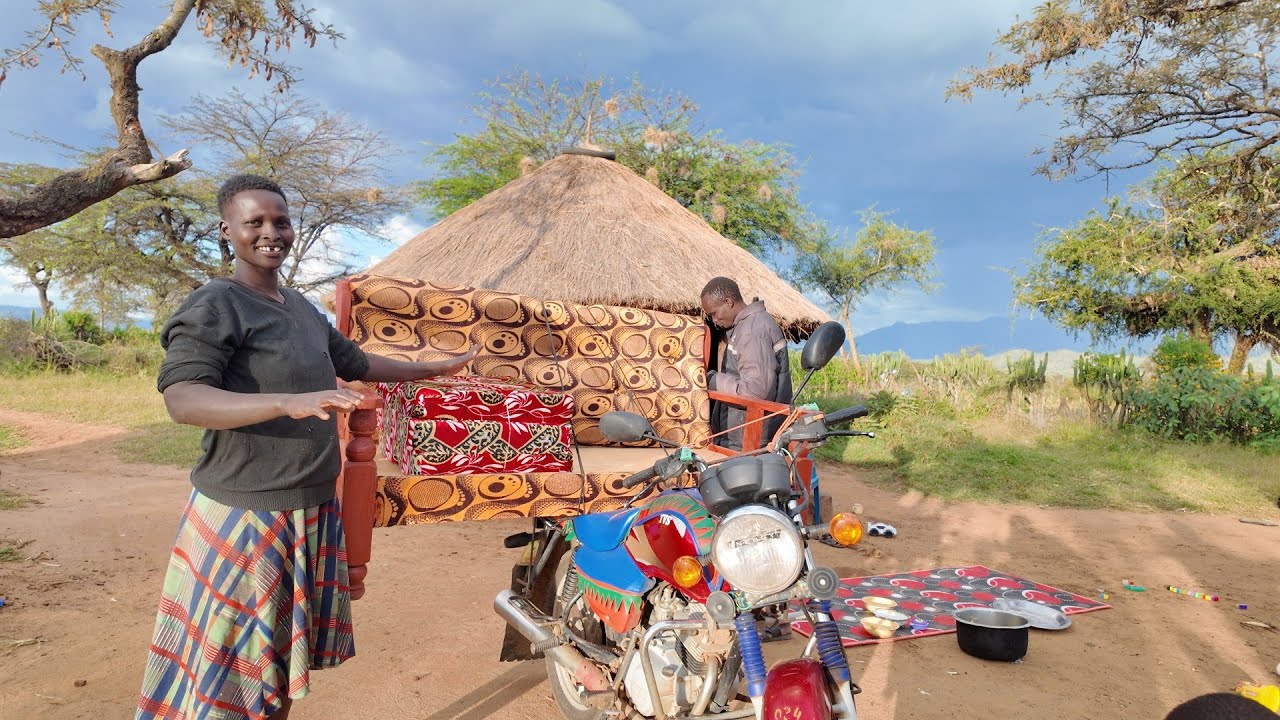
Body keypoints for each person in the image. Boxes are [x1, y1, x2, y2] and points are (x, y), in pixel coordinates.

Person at [135, 174, 479, 720]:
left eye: (280, 220)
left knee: (272, 669)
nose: (271, 232)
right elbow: (185, 398)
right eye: (255, 222)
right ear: (227, 232)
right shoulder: (216, 303)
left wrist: (434, 367)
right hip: (249, 513)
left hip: (309, 510)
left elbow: (357, 364)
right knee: (233, 671)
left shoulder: (298, 307)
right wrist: (285, 403)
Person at [700, 276, 792, 450]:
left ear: (728, 302)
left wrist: (714, 380)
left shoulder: (751, 331)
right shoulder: (749, 325)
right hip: (746, 432)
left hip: (749, 436)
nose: (714, 321)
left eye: (713, 313)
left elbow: (756, 391)